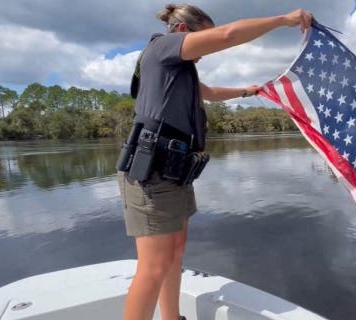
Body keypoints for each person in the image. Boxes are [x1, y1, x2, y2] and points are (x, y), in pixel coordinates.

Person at [116, 4, 313, 320]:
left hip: (174, 173)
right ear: (183, 31)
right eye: (202, 39)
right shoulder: (164, 47)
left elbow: (207, 92)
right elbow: (229, 34)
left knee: (174, 253)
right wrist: (283, 20)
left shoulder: (179, 70)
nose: (205, 52)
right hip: (150, 175)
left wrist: (247, 92)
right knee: (153, 268)